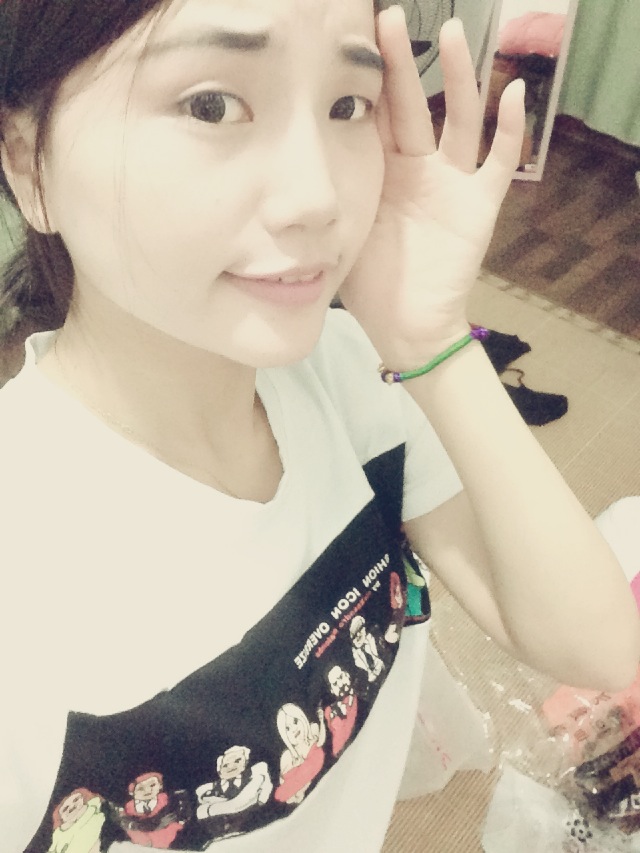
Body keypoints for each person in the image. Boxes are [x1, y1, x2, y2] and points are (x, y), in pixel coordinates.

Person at [0, 1, 638, 851]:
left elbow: (596, 646)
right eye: (210, 105)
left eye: (348, 105)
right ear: (27, 160)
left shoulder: (350, 377)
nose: (319, 196)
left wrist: (431, 341)